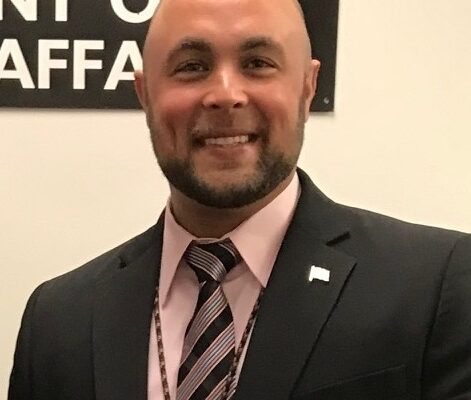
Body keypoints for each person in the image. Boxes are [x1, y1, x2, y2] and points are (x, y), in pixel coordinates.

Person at [9, 0, 471, 399]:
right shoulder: (59, 319)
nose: (225, 94)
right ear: (145, 93)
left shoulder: (440, 286)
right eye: (191, 66)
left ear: (307, 88)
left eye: (257, 64)